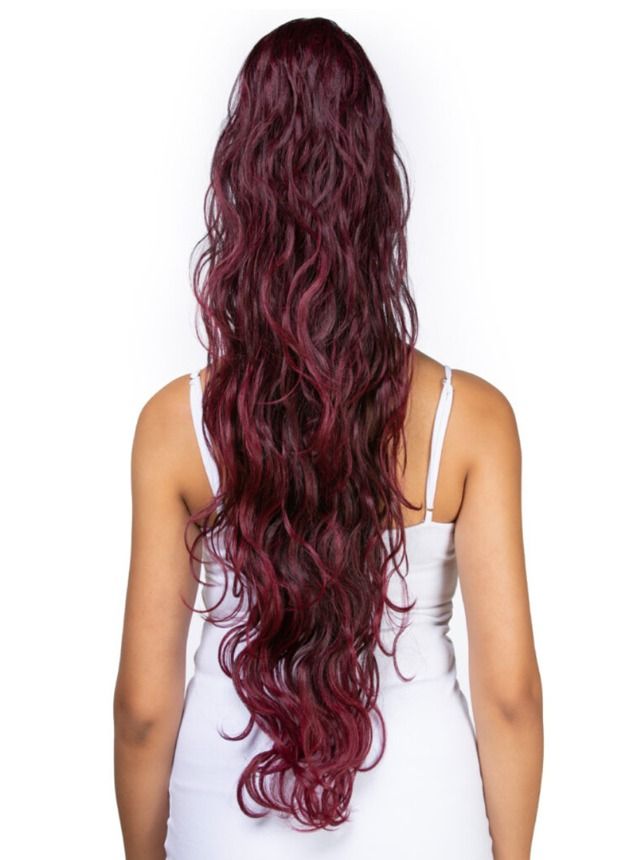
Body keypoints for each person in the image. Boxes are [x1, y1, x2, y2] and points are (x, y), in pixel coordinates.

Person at [113, 17, 543, 860]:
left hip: (223, 829)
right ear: (377, 192)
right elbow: (509, 697)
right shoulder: (471, 422)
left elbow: (142, 708)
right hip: (425, 826)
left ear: (241, 189)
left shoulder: (175, 427)